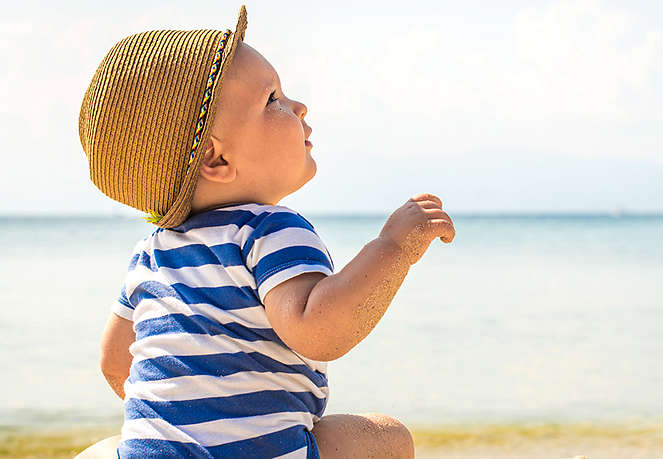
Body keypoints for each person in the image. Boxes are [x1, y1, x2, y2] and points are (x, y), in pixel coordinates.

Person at [74, 5, 454, 458]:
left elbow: (116, 362)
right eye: (272, 99)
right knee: (388, 437)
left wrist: (183, 426)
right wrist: (394, 248)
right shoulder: (269, 229)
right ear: (217, 160)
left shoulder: (151, 253)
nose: (298, 106)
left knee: (103, 449)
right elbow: (318, 329)